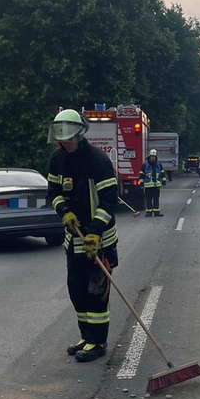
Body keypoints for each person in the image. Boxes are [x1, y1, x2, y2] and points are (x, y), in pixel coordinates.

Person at [47, 109, 119, 363]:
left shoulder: (97, 160)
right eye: (60, 137)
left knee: (96, 292)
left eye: (68, 137)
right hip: (73, 238)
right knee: (76, 290)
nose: (63, 142)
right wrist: (63, 211)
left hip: (99, 240)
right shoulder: (57, 159)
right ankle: (86, 336)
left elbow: (109, 200)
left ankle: (98, 342)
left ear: (79, 135)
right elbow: (53, 192)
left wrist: (94, 232)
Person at [139, 149, 167, 217]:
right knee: (148, 199)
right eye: (152, 156)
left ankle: (156, 212)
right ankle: (149, 212)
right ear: (149, 157)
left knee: (156, 199)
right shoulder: (145, 165)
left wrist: (164, 181)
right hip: (148, 186)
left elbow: (162, 173)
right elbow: (141, 174)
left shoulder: (159, 165)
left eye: (154, 156)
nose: (153, 158)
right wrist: (141, 183)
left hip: (156, 185)